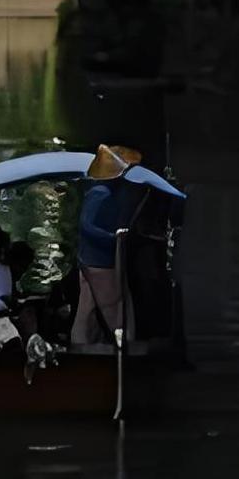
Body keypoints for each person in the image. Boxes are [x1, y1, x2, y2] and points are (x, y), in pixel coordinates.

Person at [70, 143, 138, 349]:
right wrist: (112, 237)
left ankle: (81, 343)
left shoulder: (96, 189)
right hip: (100, 260)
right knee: (114, 307)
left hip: (90, 257)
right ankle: (124, 346)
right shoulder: (102, 192)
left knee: (87, 306)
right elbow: (86, 223)